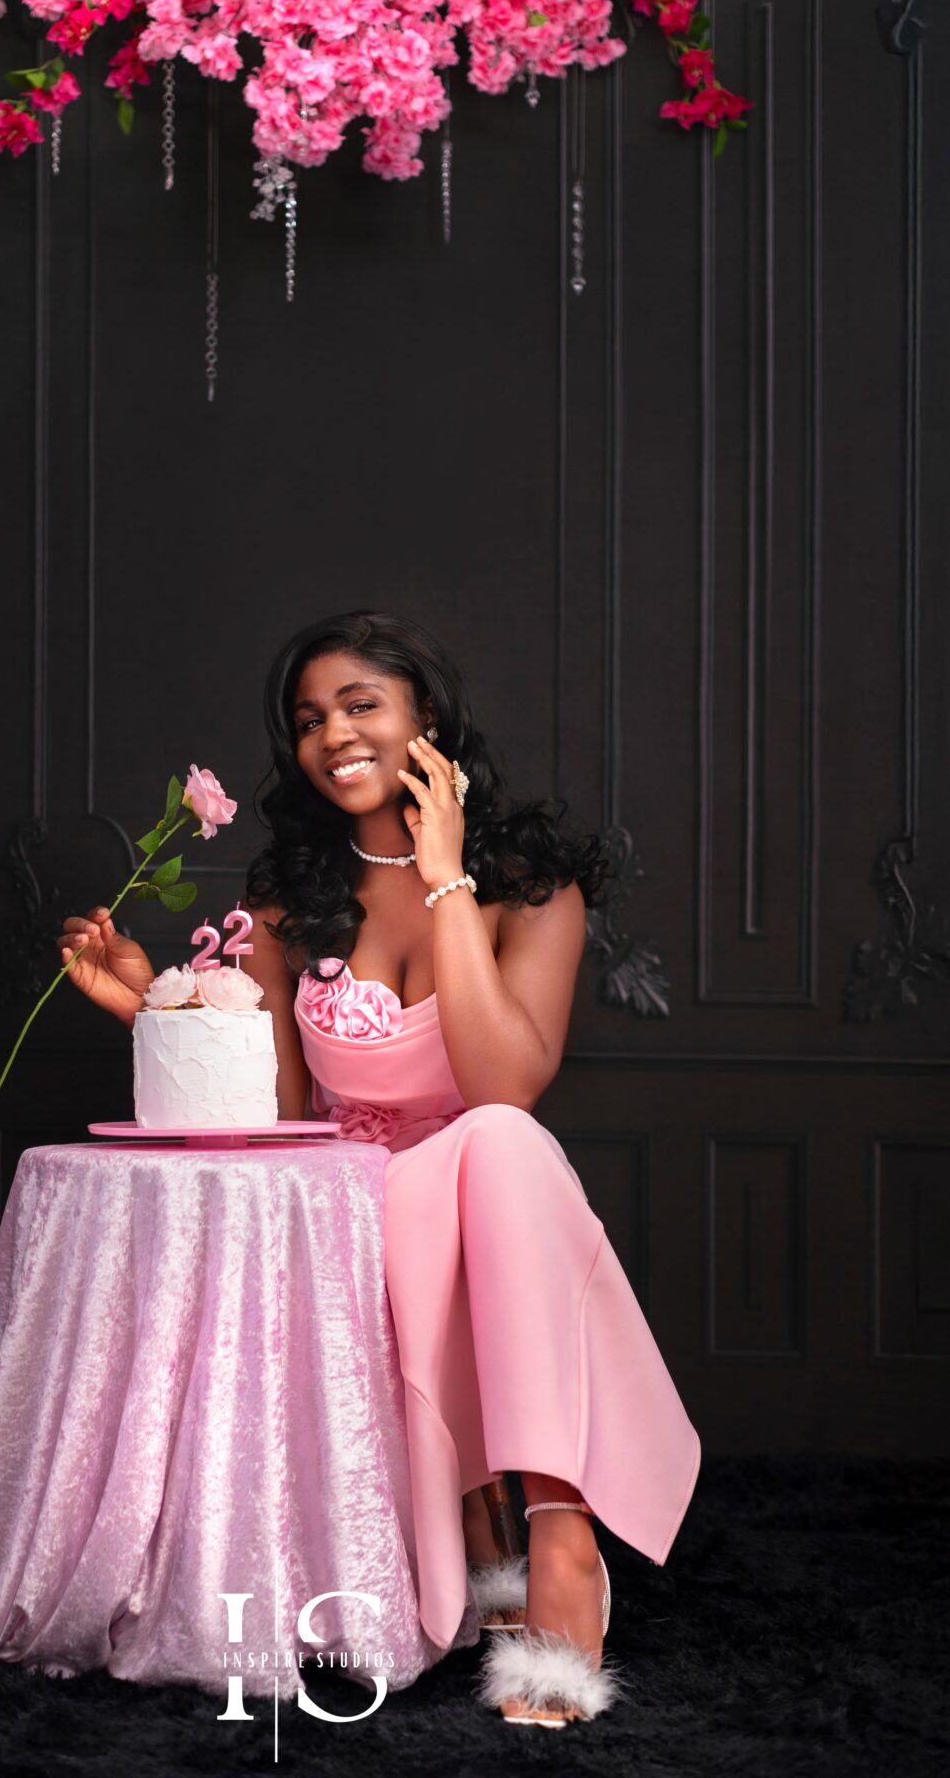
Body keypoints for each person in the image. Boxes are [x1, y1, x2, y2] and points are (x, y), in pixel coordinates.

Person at [55, 609, 701, 1728]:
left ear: (427, 721)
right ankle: (497, 1528)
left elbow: (504, 1084)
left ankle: (557, 1530)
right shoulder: (286, 901)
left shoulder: (533, 886)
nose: (332, 735)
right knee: (488, 1155)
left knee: (501, 1143)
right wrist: (146, 1007)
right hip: (347, 1217)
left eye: (362, 705)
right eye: (310, 719)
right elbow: (272, 1122)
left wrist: (446, 874)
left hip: (493, 1213)